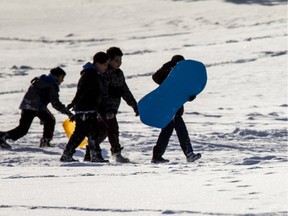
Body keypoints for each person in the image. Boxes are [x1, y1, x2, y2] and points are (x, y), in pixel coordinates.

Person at [83, 47, 138, 163]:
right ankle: (116, 153)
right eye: (116, 60)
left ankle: (90, 152)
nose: (119, 63)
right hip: (103, 107)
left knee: (104, 130)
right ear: (109, 60)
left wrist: (134, 105)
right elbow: (100, 91)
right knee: (113, 128)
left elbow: (125, 90)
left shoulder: (119, 73)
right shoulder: (104, 72)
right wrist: (110, 93)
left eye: (120, 60)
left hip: (112, 108)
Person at [0, 67, 73, 149]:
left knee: (48, 120)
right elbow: (55, 103)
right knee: (24, 129)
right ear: (56, 76)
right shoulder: (52, 85)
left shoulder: (41, 80)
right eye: (62, 77)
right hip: (35, 107)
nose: (62, 80)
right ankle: (2, 136)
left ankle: (45, 141)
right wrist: (68, 113)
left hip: (28, 105)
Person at [60, 51, 110, 162]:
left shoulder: (92, 74)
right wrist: (74, 102)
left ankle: (68, 154)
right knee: (90, 133)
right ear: (98, 63)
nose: (106, 67)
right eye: (105, 64)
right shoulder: (90, 75)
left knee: (83, 133)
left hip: (86, 109)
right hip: (87, 109)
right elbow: (82, 90)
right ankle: (95, 156)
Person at [151, 55, 201, 163]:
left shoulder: (182, 78)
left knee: (167, 132)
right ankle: (189, 154)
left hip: (176, 110)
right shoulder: (167, 77)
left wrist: (191, 96)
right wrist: (169, 64)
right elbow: (156, 77)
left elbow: (186, 92)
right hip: (168, 110)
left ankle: (157, 156)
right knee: (181, 132)